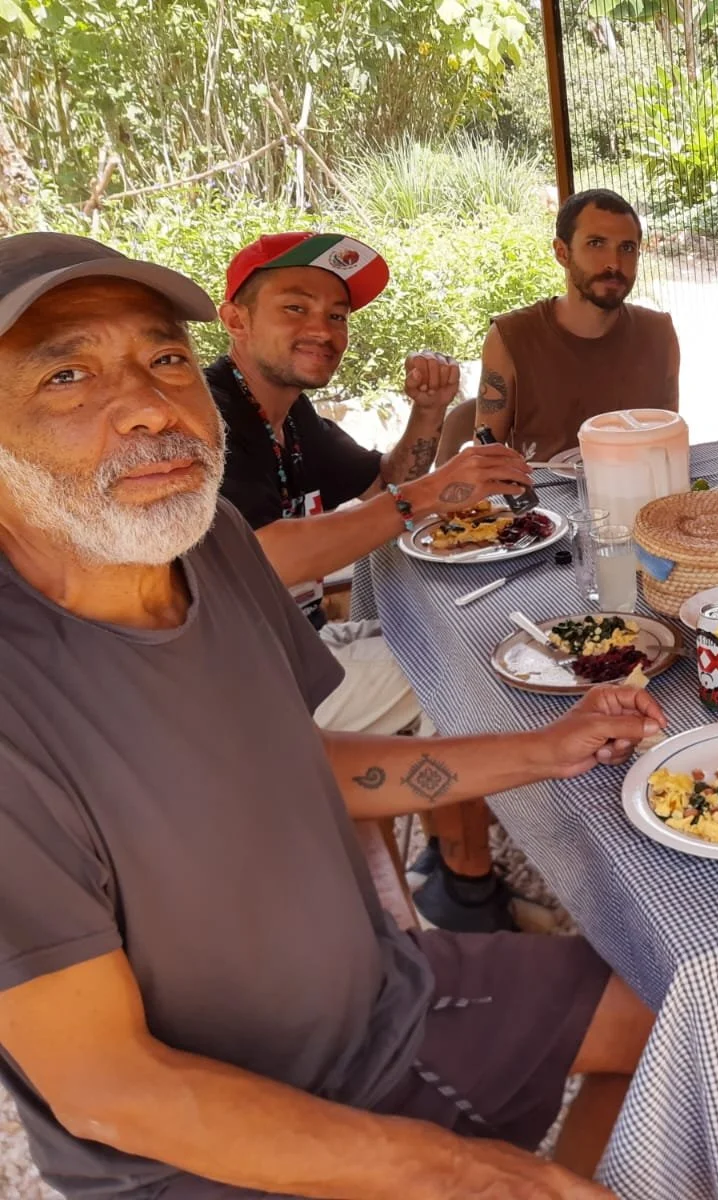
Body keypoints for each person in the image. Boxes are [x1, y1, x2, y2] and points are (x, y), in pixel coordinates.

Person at [0, 231, 663, 1199]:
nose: (148, 406)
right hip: (196, 1152)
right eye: (67, 377)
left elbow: (303, 763)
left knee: (685, 1010)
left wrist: (543, 749)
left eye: (164, 358)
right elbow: (112, 1088)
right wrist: (475, 1177)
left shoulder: (212, 544)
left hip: (390, 1003)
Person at [211, 232, 533, 934]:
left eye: (336, 316)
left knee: (447, 634)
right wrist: (433, 493)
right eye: (295, 308)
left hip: (293, 645)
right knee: (467, 667)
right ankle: (466, 886)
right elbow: (265, 557)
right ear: (233, 317)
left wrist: (425, 413)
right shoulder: (215, 417)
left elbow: (382, 482)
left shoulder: (283, 411)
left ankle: (452, 864)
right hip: (236, 694)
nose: (322, 331)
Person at [475, 189, 678, 459]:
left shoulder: (658, 333)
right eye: (596, 243)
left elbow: (669, 444)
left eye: (627, 248)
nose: (614, 263)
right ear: (562, 253)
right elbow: (485, 459)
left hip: (642, 494)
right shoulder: (511, 338)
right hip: (543, 498)